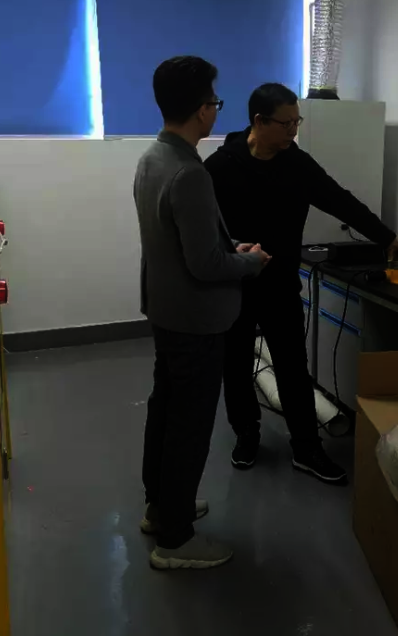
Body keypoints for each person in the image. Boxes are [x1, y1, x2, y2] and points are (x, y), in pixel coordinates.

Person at [205, 83, 398, 484]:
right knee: (236, 364)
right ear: (258, 121)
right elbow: (205, 229)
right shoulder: (220, 167)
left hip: (280, 284)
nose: (293, 130)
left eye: (297, 121)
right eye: (286, 123)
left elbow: (339, 199)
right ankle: (246, 435)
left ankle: (306, 447)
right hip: (235, 285)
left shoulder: (296, 165)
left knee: (293, 368)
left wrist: (386, 237)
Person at [133, 56, 269, 570]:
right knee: (189, 426)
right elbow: (206, 265)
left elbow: (179, 243)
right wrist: (249, 261)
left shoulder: (153, 158)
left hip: (166, 309)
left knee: (165, 411)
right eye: (214, 101)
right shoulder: (190, 172)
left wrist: (229, 246)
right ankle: (176, 539)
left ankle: (161, 508)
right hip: (196, 319)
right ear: (200, 110)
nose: (216, 110)